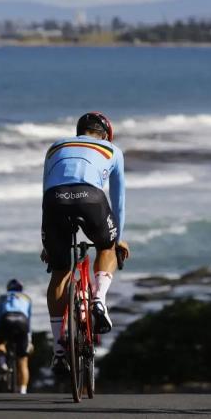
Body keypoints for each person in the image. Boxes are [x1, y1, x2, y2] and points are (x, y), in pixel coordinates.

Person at [40, 112, 130, 376]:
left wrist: (46, 242)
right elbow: (118, 200)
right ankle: (99, 301)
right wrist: (116, 237)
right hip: (91, 199)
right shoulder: (112, 150)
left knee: (59, 272)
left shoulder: (54, 147)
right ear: (104, 135)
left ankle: (58, 350)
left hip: (54, 202)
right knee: (105, 248)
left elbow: (46, 191)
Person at [0, 279, 34, 394]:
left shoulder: (2, 297)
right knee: (23, 360)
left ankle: (3, 364)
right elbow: (29, 321)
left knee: (0, 344)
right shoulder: (27, 298)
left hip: (6, 318)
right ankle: (23, 390)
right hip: (22, 321)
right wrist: (29, 340)